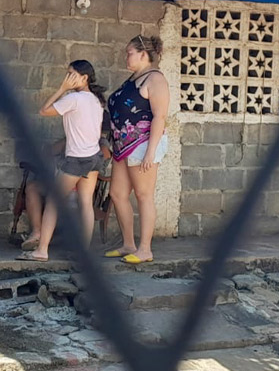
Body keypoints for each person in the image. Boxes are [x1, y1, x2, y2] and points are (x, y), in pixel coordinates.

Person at [17, 60, 106, 262]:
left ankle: (41, 251)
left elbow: (44, 110)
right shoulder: (96, 100)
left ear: (84, 77)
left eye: (71, 74)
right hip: (94, 157)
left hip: (77, 159)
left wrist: (61, 89)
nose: (67, 78)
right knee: (86, 203)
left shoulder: (74, 98)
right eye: (67, 75)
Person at [104, 35, 169, 264]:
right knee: (118, 194)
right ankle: (128, 244)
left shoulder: (155, 79)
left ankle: (145, 249)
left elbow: (160, 116)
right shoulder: (134, 79)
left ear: (143, 54)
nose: (126, 57)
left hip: (142, 145)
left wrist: (151, 152)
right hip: (122, 146)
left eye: (129, 52)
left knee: (143, 195)